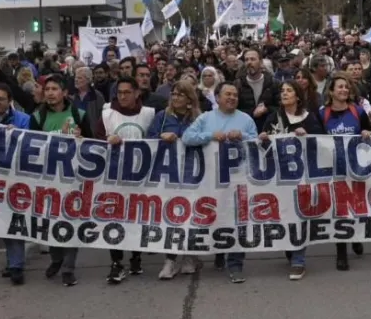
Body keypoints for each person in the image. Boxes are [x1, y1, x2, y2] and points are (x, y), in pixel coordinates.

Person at [182, 82, 257, 283]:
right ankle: (219, 254)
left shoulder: (246, 119)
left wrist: (243, 136)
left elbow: (257, 144)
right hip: (211, 182)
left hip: (238, 181)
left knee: (237, 220)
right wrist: (209, 136)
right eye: (227, 94)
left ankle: (236, 264)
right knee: (217, 217)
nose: (232, 98)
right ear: (217, 98)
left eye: (235, 95)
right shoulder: (205, 118)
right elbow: (187, 137)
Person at [31, 75, 93, 287]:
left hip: (73, 181)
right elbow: (29, 147)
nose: (49, 93)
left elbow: (93, 145)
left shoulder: (79, 114)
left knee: (70, 222)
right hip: (47, 180)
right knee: (50, 224)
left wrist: (81, 139)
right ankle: (56, 259)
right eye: (47, 89)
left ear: (64, 93)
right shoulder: (37, 117)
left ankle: (68, 267)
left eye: (54, 89)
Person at [259, 81, 324, 280]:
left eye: (289, 90)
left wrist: (309, 136)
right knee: (285, 215)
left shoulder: (309, 118)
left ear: (298, 96)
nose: (285, 94)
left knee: (299, 216)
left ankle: (298, 260)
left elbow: (323, 143)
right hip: (279, 177)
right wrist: (262, 139)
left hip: (302, 177)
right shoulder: (273, 117)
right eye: (282, 91)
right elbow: (263, 150)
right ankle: (291, 248)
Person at [99, 77, 156, 283]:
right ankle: (116, 262)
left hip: (142, 178)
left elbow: (155, 139)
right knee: (114, 219)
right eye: (119, 92)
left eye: (126, 92)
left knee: (138, 218)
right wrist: (106, 141)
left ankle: (136, 256)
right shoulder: (107, 115)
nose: (122, 96)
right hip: (114, 178)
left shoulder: (149, 114)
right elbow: (94, 144)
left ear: (136, 93)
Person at [147, 81, 203, 280]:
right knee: (171, 216)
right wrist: (161, 136)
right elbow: (149, 138)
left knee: (192, 213)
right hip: (168, 175)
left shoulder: (199, 118)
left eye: (180, 94)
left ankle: (189, 256)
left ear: (189, 99)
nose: (176, 98)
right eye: (174, 94)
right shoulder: (162, 117)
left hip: (193, 174)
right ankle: (170, 260)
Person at [320, 72, 371, 271]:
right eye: (339, 87)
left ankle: (356, 237)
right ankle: (341, 252)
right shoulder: (322, 113)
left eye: (346, 87)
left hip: (356, 168)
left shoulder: (357, 111)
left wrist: (368, 132)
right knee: (339, 211)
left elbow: (370, 132)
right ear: (331, 91)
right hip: (333, 170)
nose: (343, 90)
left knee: (357, 207)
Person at [0, 83, 32, 285]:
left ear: (9, 100)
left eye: (0, 99)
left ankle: (16, 265)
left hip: (21, 180)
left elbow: (35, 143)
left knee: (15, 220)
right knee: (6, 222)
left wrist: (19, 136)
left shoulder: (24, 120)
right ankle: (14, 262)